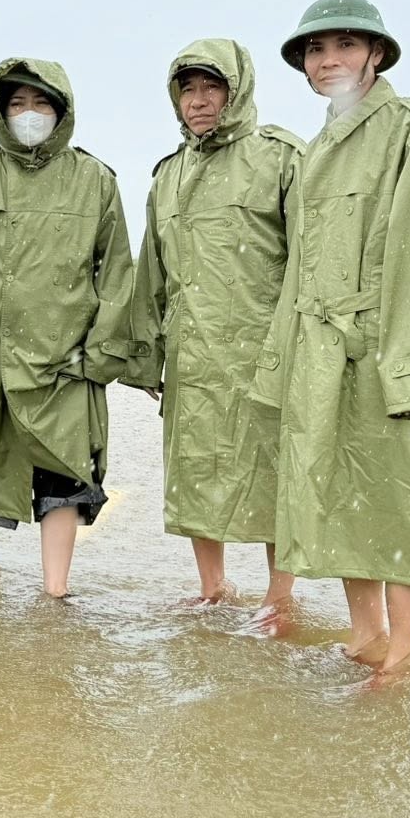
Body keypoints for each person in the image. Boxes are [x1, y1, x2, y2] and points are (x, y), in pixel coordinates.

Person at [251, 0, 410, 681]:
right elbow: (300, 268)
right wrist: (280, 362)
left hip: (375, 350)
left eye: (344, 45)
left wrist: (408, 371)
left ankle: (403, 650)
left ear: (376, 53)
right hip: (315, 353)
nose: (328, 59)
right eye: (315, 50)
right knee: (335, 495)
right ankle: (366, 633)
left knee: (395, 498)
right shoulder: (318, 147)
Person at [0, 59, 135, 598]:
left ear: (62, 111)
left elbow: (116, 273)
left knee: (63, 477)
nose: (29, 115)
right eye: (17, 104)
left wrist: (100, 354)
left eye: (41, 103)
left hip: (65, 361)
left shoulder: (95, 180)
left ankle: (56, 593)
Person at [125, 39, 303, 621]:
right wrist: (146, 354)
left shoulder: (280, 158)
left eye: (211, 88)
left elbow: (307, 261)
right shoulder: (169, 175)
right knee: (198, 471)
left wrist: (299, 347)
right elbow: (151, 269)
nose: (198, 102)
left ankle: (279, 599)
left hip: (265, 353)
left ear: (237, 90)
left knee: (273, 473)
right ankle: (213, 588)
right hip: (193, 354)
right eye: (187, 90)